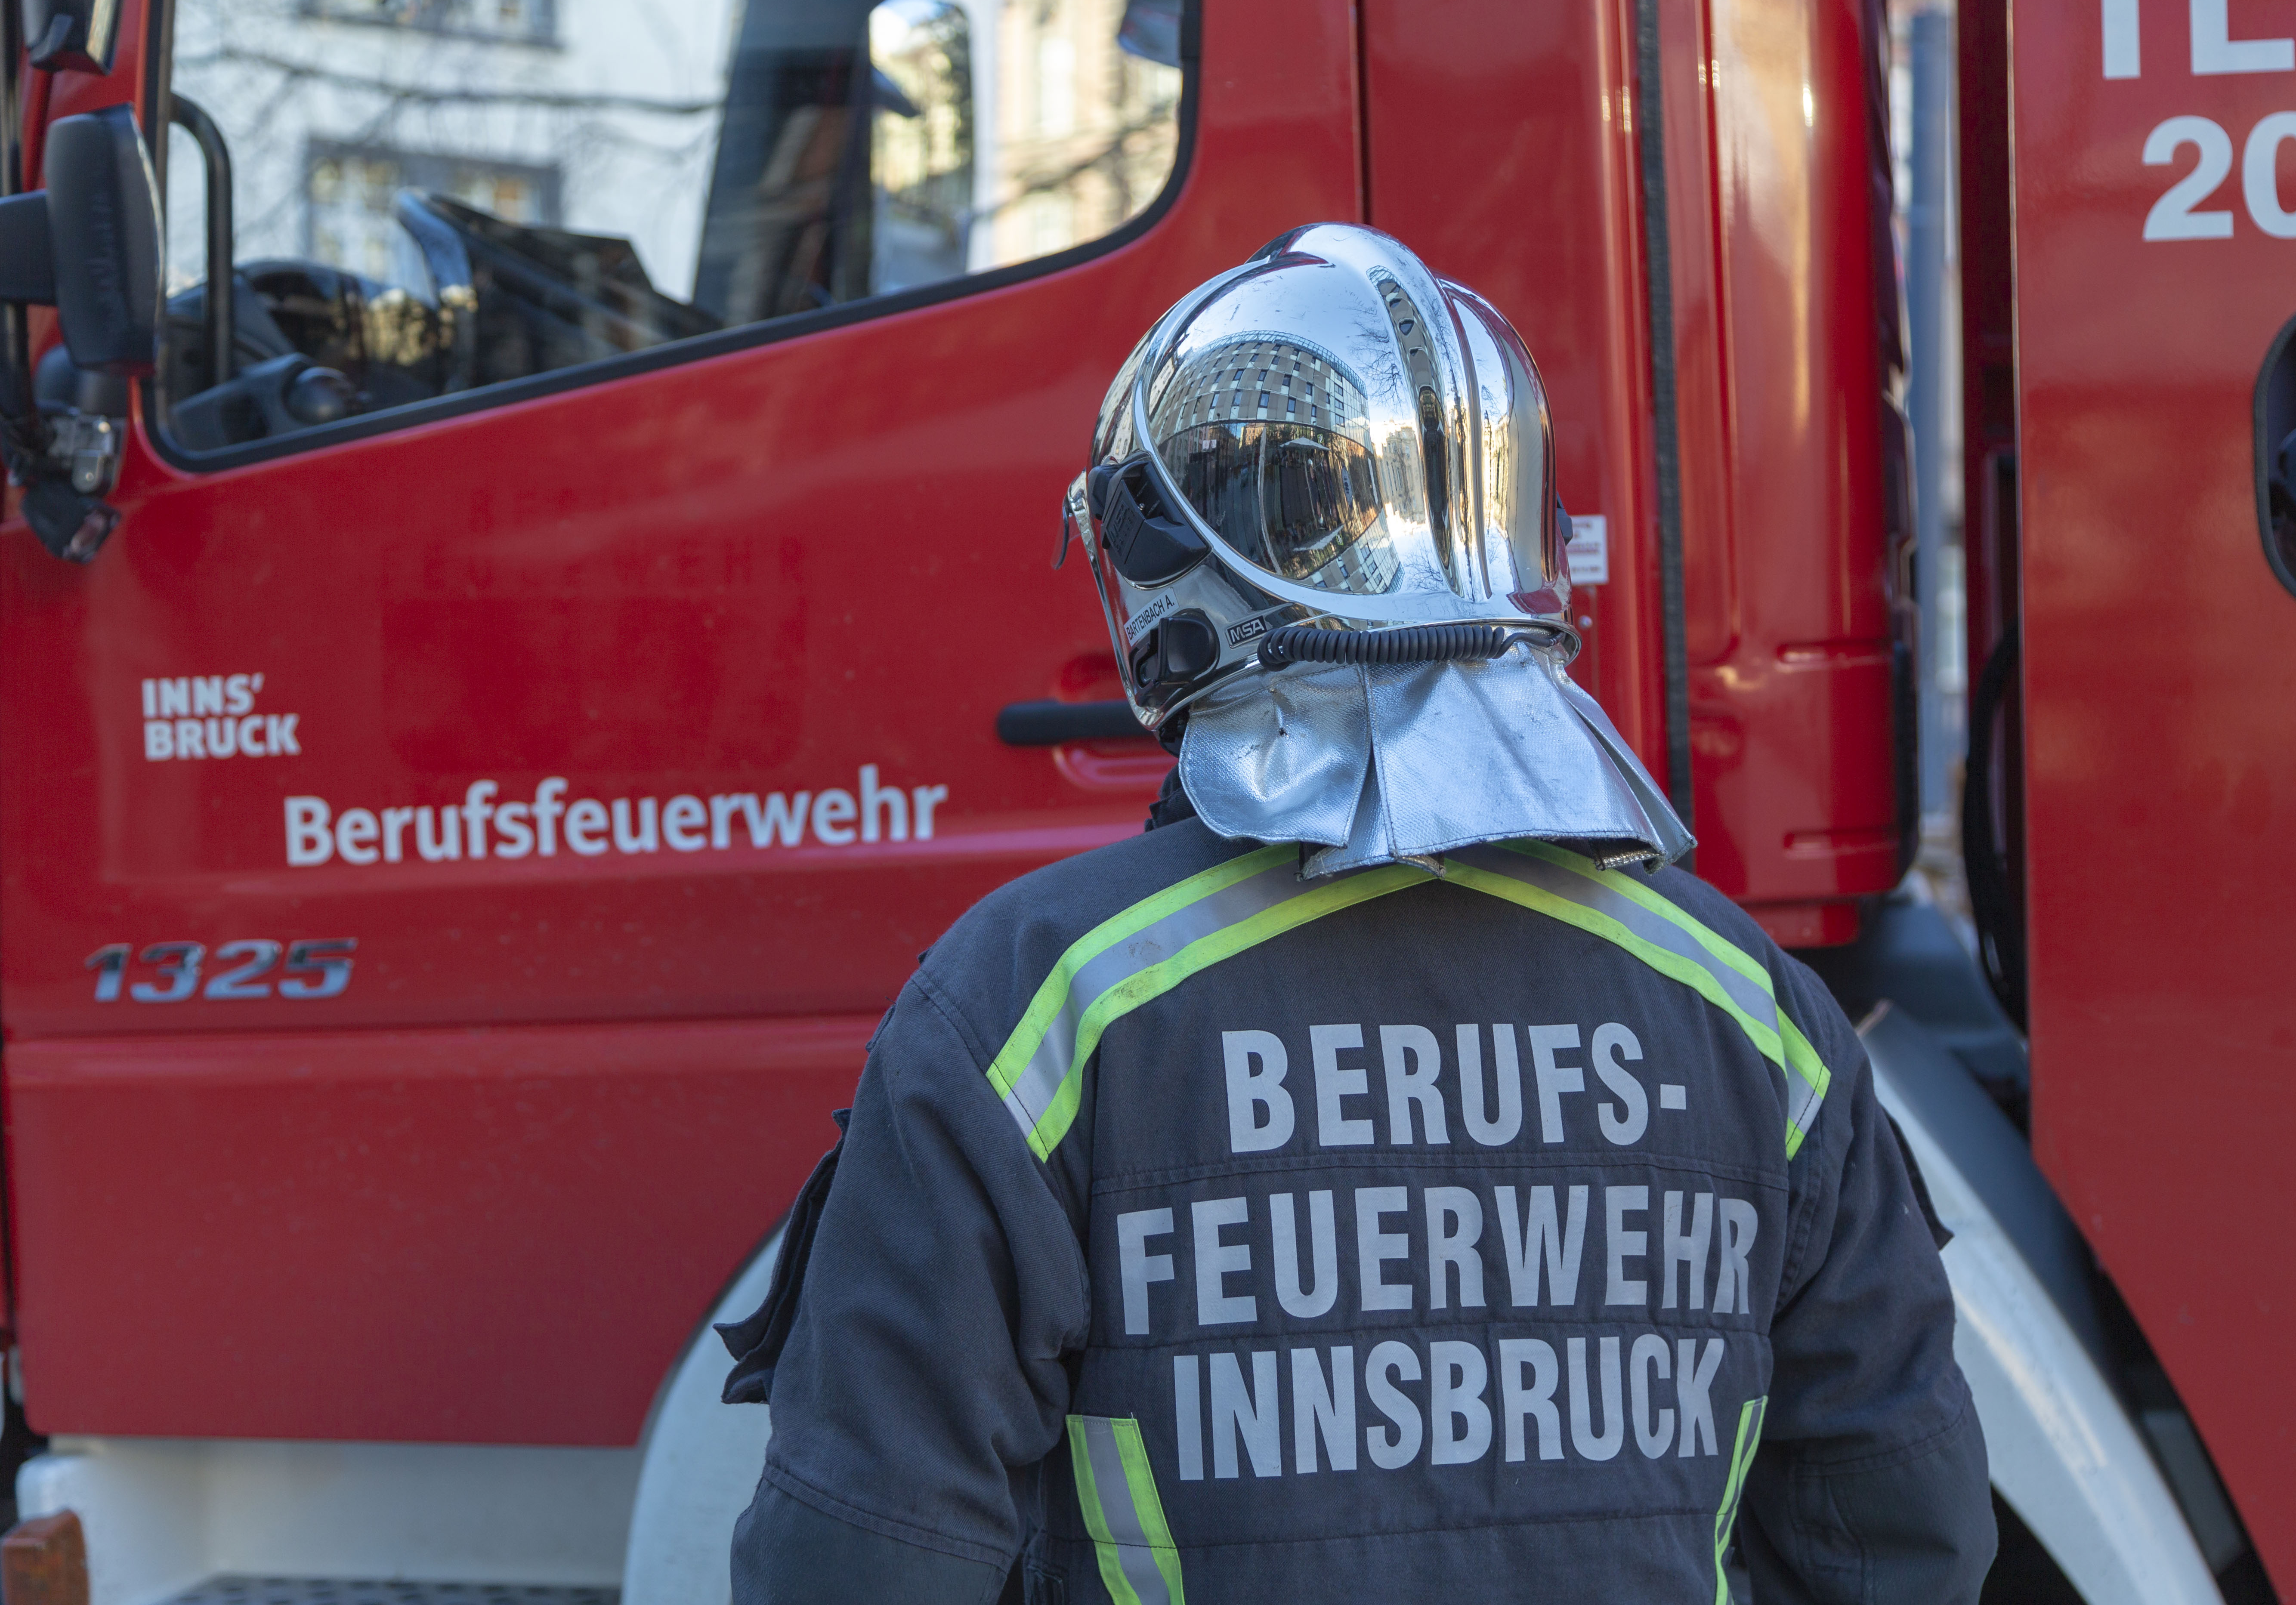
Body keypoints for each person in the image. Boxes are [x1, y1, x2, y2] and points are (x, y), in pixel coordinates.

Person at [723, 224, 1996, 1604]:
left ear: (1158, 560)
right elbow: (1906, 1539)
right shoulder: (1757, 1011)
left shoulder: (1032, 1006)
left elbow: (860, 1561)